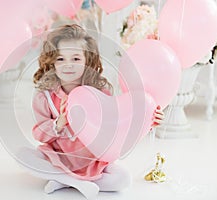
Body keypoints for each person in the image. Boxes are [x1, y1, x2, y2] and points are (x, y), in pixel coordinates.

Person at [28, 24, 163, 199]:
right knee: (26, 157)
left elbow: (116, 124)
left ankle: (67, 181)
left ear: (87, 60)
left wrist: (148, 118)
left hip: (93, 160)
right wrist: (60, 121)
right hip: (59, 157)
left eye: (76, 59)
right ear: (52, 62)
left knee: (123, 180)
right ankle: (69, 179)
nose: (68, 65)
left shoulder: (100, 92)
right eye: (60, 59)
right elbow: (39, 134)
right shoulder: (44, 97)